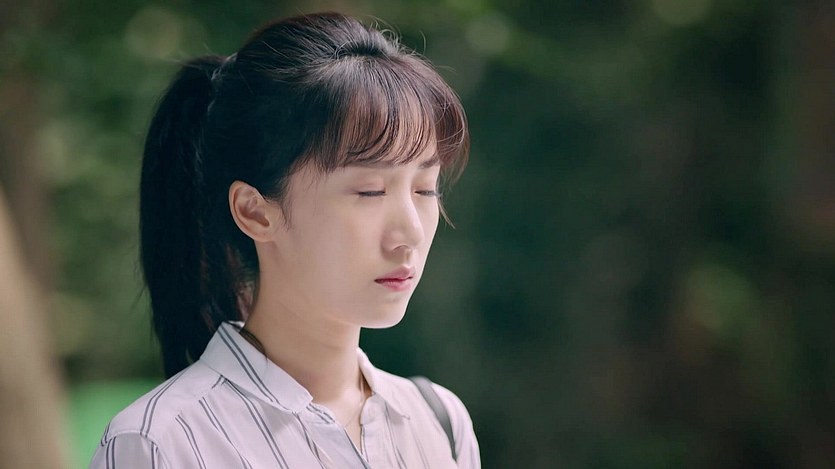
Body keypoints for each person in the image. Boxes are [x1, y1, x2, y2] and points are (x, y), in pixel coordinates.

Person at [90, 11, 479, 469]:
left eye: (425, 189)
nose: (411, 232)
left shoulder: (438, 422)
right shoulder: (159, 444)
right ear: (254, 211)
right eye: (369, 191)